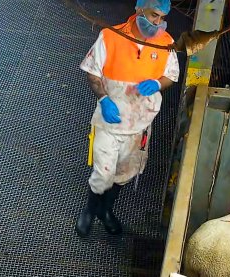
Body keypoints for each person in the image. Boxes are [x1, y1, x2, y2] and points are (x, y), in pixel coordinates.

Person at [75, 0, 180, 237]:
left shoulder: (166, 44)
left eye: (162, 17)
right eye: (154, 15)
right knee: (103, 171)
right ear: (139, 9)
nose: (157, 22)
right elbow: (93, 72)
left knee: (124, 174)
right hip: (108, 121)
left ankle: (106, 211)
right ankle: (90, 210)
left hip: (139, 125)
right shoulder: (110, 37)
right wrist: (103, 99)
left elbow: (171, 76)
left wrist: (156, 83)